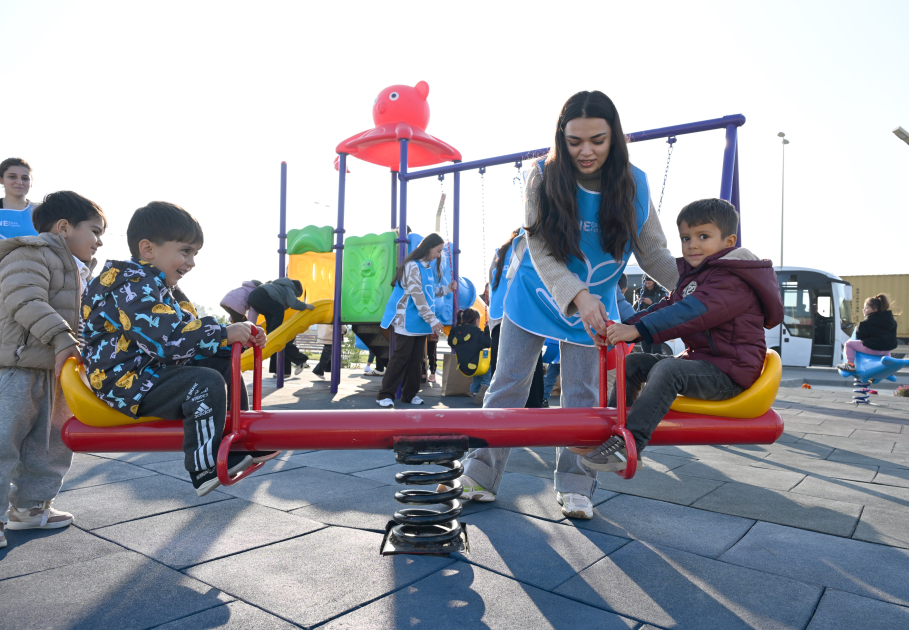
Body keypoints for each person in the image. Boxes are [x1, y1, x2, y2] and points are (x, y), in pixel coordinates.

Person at [447, 91, 680, 520]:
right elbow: (539, 245)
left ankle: (575, 486)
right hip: (538, 296)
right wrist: (577, 293)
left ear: (615, 138)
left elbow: (654, 255)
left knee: (584, 397)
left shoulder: (634, 183)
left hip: (594, 307)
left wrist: (703, 289)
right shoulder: (543, 175)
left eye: (597, 140)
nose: (585, 151)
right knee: (508, 386)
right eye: (574, 141)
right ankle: (480, 473)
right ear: (561, 137)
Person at [81, 202, 274, 497]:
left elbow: (187, 335)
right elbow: (166, 341)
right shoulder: (131, 285)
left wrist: (230, 341)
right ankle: (204, 465)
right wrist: (222, 332)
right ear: (148, 249)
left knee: (221, 364)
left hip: (148, 371)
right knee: (204, 382)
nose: (192, 262)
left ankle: (242, 441)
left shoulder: (163, 288)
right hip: (123, 380)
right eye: (185, 251)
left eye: (194, 253)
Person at [581, 198, 784, 473]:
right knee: (635, 364)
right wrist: (622, 328)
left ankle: (629, 445)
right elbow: (667, 307)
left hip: (731, 374)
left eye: (703, 236)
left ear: (729, 241)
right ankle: (611, 430)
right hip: (704, 364)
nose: (693, 245)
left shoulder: (733, 281)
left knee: (668, 369)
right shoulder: (697, 278)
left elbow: (691, 312)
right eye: (686, 238)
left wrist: (637, 331)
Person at [0, 192, 105, 545]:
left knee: (51, 445)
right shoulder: (31, 254)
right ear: (64, 227)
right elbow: (24, 300)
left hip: (58, 371)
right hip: (17, 367)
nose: (99, 240)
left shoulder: (80, 269)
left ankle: (30, 508)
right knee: (3, 442)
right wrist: (62, 338)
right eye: (95, 230)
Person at [376, 233, 456, 408]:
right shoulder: (412, 266)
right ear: (429, 247)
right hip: (408, 318)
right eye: (438, 250)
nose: (438, 254)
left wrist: (447, 289)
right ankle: (385, 394)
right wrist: (433, 320)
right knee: (401, 357)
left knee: (417, 359)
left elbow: (430, 291)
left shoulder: (426, 267)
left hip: (420, 321)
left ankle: (409, 394)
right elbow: (417, 295)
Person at [247, 277, 314, 376]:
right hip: (262, 297)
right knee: (279, 312)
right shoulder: (289, 288)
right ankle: (301, 359)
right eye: (297, 295)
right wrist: (306, 306)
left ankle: (279, 367)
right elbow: (293, 303)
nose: (295, 296)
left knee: (272, 336)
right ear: (296, 290)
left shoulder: (276, 287)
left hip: (254, 298)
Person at [837, 294, 898, 372]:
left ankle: (850, 365)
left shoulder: (868, 321)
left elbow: (859, 335)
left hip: (873, 348)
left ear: (875, 310)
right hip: (886, 351)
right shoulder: (892, 321)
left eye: (866, 308)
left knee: (849, 344)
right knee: (885, 349)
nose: (863, 310)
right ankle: (888, 368)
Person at [0, 158, 39, 239]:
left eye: (25, 178)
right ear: (1, 180)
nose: (19, 182)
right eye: (12, 177)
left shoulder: (41, 211)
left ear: (31, 182)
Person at [449, 307, 492, 377]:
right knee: (489, 368)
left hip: (462, 367)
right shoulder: (476, 332)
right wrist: (487, 329)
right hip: (475, 366)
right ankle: (485, 384)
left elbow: (451, 342)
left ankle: (474, 388)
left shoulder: (456, 331)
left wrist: (454, 329)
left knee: (476, 379)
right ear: (477, 320)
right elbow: (488, 342)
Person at [634, 277, 669, 353]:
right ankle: (646, 363)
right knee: (645, 349)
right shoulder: (640, 292)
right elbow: (635, 309)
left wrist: (652, 303)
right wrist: (638, 301)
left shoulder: (661, 292)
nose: (647, 285)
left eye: (649, 283)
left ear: (654, 282)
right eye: (646, 283)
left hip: (657, 323)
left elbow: (665, 307)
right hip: (644, 322)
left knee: (657, 349)